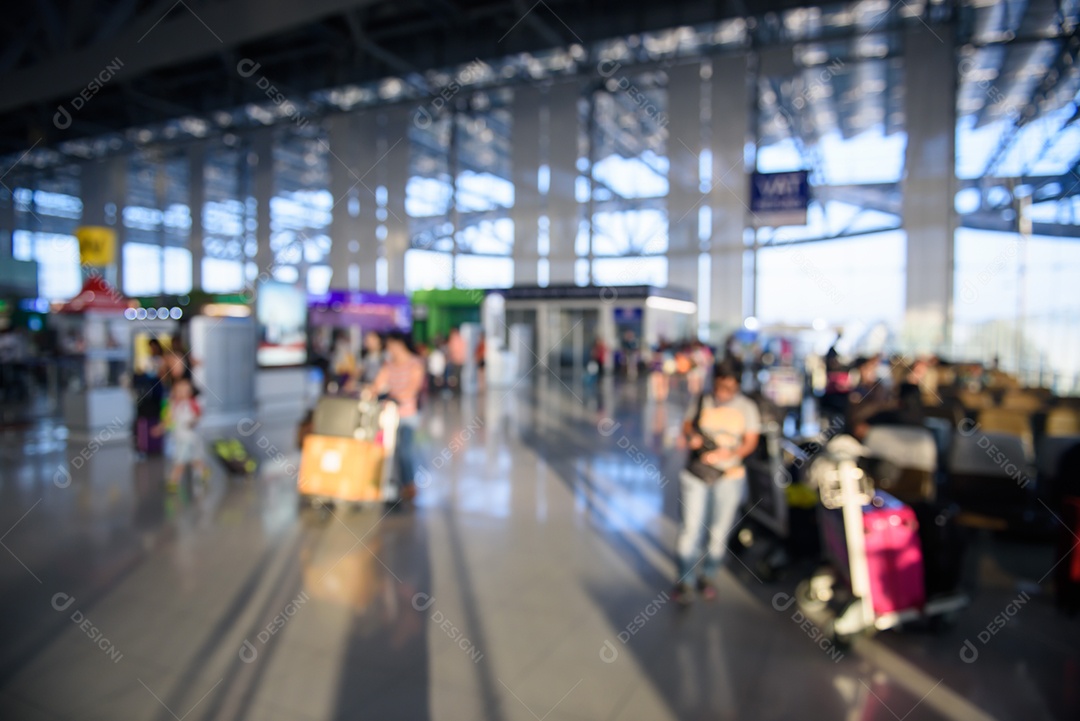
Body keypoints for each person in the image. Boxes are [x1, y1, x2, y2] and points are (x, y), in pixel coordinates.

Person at [674, 358, 761, 604]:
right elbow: (687, 425)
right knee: (690, 529)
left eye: (730, 389)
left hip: (729, 476)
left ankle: (708, 575)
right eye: (721, 387)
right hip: (697, 473)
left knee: (718, 531)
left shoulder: (747, 408)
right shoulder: (702, 400)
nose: (724, 394)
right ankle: (685, 580)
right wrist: (692, 438)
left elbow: (750, 442)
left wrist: (730, 454)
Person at [371, 331, 426, 506]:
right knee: (386, 451)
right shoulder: (389, 365)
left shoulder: (415, 364)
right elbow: (378, 384)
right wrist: (373, 391)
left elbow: (412, 388)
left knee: (404, 451)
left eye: (390, 345)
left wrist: (393, 396)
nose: (388, 349)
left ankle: (409, 486)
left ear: (399, 344)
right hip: (388, 416)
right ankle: (388, 484)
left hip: (407, 415)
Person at [155, 377, 209, 492]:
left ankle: (173, 481)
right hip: (179, 438)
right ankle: (203, 472)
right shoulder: (173, 405)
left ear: (189, 392)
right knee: (191, 459)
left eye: (184, 390)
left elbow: (198, 415)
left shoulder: (192, 404)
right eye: (178, 390)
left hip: (191, 438)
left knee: (182, 461)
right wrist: (161, 428)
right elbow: (168, 420)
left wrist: (193, 421)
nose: (181, 393)